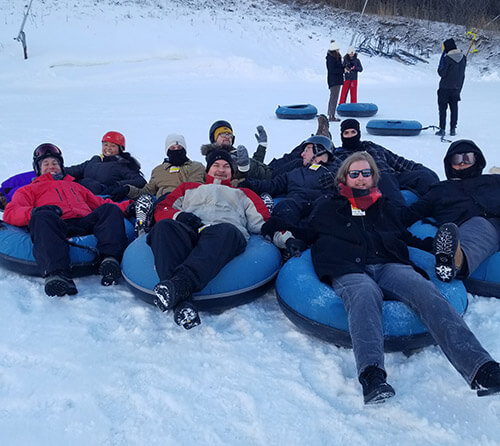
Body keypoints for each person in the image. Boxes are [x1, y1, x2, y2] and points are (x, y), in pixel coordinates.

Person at [300, 152, 500, 404]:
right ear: (345, 177)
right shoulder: (328, 205)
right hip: (348, 266)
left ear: (374, 177)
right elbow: (307, 230)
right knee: (364, 293)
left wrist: (434, 248)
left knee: (425, 290)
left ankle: (481, 368)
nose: (361, 179)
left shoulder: (384, 207)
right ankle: (372, 376)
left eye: (366, 173)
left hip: (388, 263)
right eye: (355, 174)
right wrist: (283, 235)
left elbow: (405, 237)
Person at [146, 149, 270, 330]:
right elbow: (163, 208)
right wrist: (180, 216)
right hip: (191, 229)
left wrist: (283, 235)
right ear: (208, 170)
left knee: (226, 231)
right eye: (216, 166)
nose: (221, 169)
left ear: (232, 171)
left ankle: (179, 287)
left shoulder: (243, 193)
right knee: (164, 227)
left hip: (224, 234)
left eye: (226, 166)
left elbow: (263, 222)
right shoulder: (188, 188)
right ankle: (182, 302)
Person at [3, 143, 133, 297]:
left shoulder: (76, 186)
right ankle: (57, 274)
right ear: (38, 168)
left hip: (84, 221)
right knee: (42, 216)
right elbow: (11, 213)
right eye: (46, 164)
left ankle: (109, 260)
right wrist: (35, 211)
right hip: (56, 225)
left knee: (109, 210)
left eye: (55, 163)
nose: (51, 166)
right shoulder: (28, 190)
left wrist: (129, 206)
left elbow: (101, 203)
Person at [404, 139, 500, 283]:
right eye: (457, 159)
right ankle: (454, 260)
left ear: (477, 160)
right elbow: (410, 214)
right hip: (475, 226)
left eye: (467, 158)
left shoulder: (493, 180)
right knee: (479, 227)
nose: (462, 162)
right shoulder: (439, 190)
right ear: (449, 164)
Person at [240, 135, 335, 258]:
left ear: (320, 150)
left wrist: (336, 183)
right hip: (297, 203)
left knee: (323, 208)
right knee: (286, 205)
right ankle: (288, 241)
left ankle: (309, 241)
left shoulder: (338, 169)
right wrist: (249, 184)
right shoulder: (295, 172)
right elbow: (272, 185)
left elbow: (355, 185)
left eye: (307, 150)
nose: (302, 154)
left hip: (322, 203)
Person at [325, 119, 439, 207]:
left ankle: (436, 206)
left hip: (395, 177)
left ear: (358, 133)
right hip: (370, 183)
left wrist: (423, 170)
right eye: (346, 133)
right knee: (383, 177)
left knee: (425, 177)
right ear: (342, 136)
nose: (350, 136)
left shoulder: (371, 147)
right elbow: (336, 174)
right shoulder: (339, 155)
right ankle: (401, 215)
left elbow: (398, 161)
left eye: (353, 132)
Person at [65, 131, 146, 200]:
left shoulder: (122, 164)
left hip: (102, 198)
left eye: (113, 146)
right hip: (79, 196)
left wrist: (118, 185)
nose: (108, 148)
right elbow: (74, 170)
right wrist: (55, 168)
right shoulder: (94, 160)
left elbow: (140, 181)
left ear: (120, 149)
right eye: (105, 145)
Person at [201, 120, 271, 181]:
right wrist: (243, 170)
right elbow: (232, 181)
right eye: (222, 134)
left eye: (229, 134)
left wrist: (262, 146)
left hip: (269, 173)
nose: (227, 136)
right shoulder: (216, 157)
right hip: (266, 182)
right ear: (214, 138)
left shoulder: (236, 152)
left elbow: (255, 169)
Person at [435, 38, 466, 137]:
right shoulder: (463, 58)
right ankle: (453, 129)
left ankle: (442, 129)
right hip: (457, 88)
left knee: (443, 109)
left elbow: (442, 73)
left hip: (445, 88)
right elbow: (461, 74)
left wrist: (441, 62)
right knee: (454, 108)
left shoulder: (447, 58)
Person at [326, 40, 343, 122]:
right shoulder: (331, 58)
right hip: (334, 80)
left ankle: (331, 114)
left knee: (334, 97)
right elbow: (332, 70)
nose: (338, 50)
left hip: (336, 80)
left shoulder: (335, 57)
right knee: (334, 97)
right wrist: (342, 70)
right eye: (337, 49)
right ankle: (331, 115)